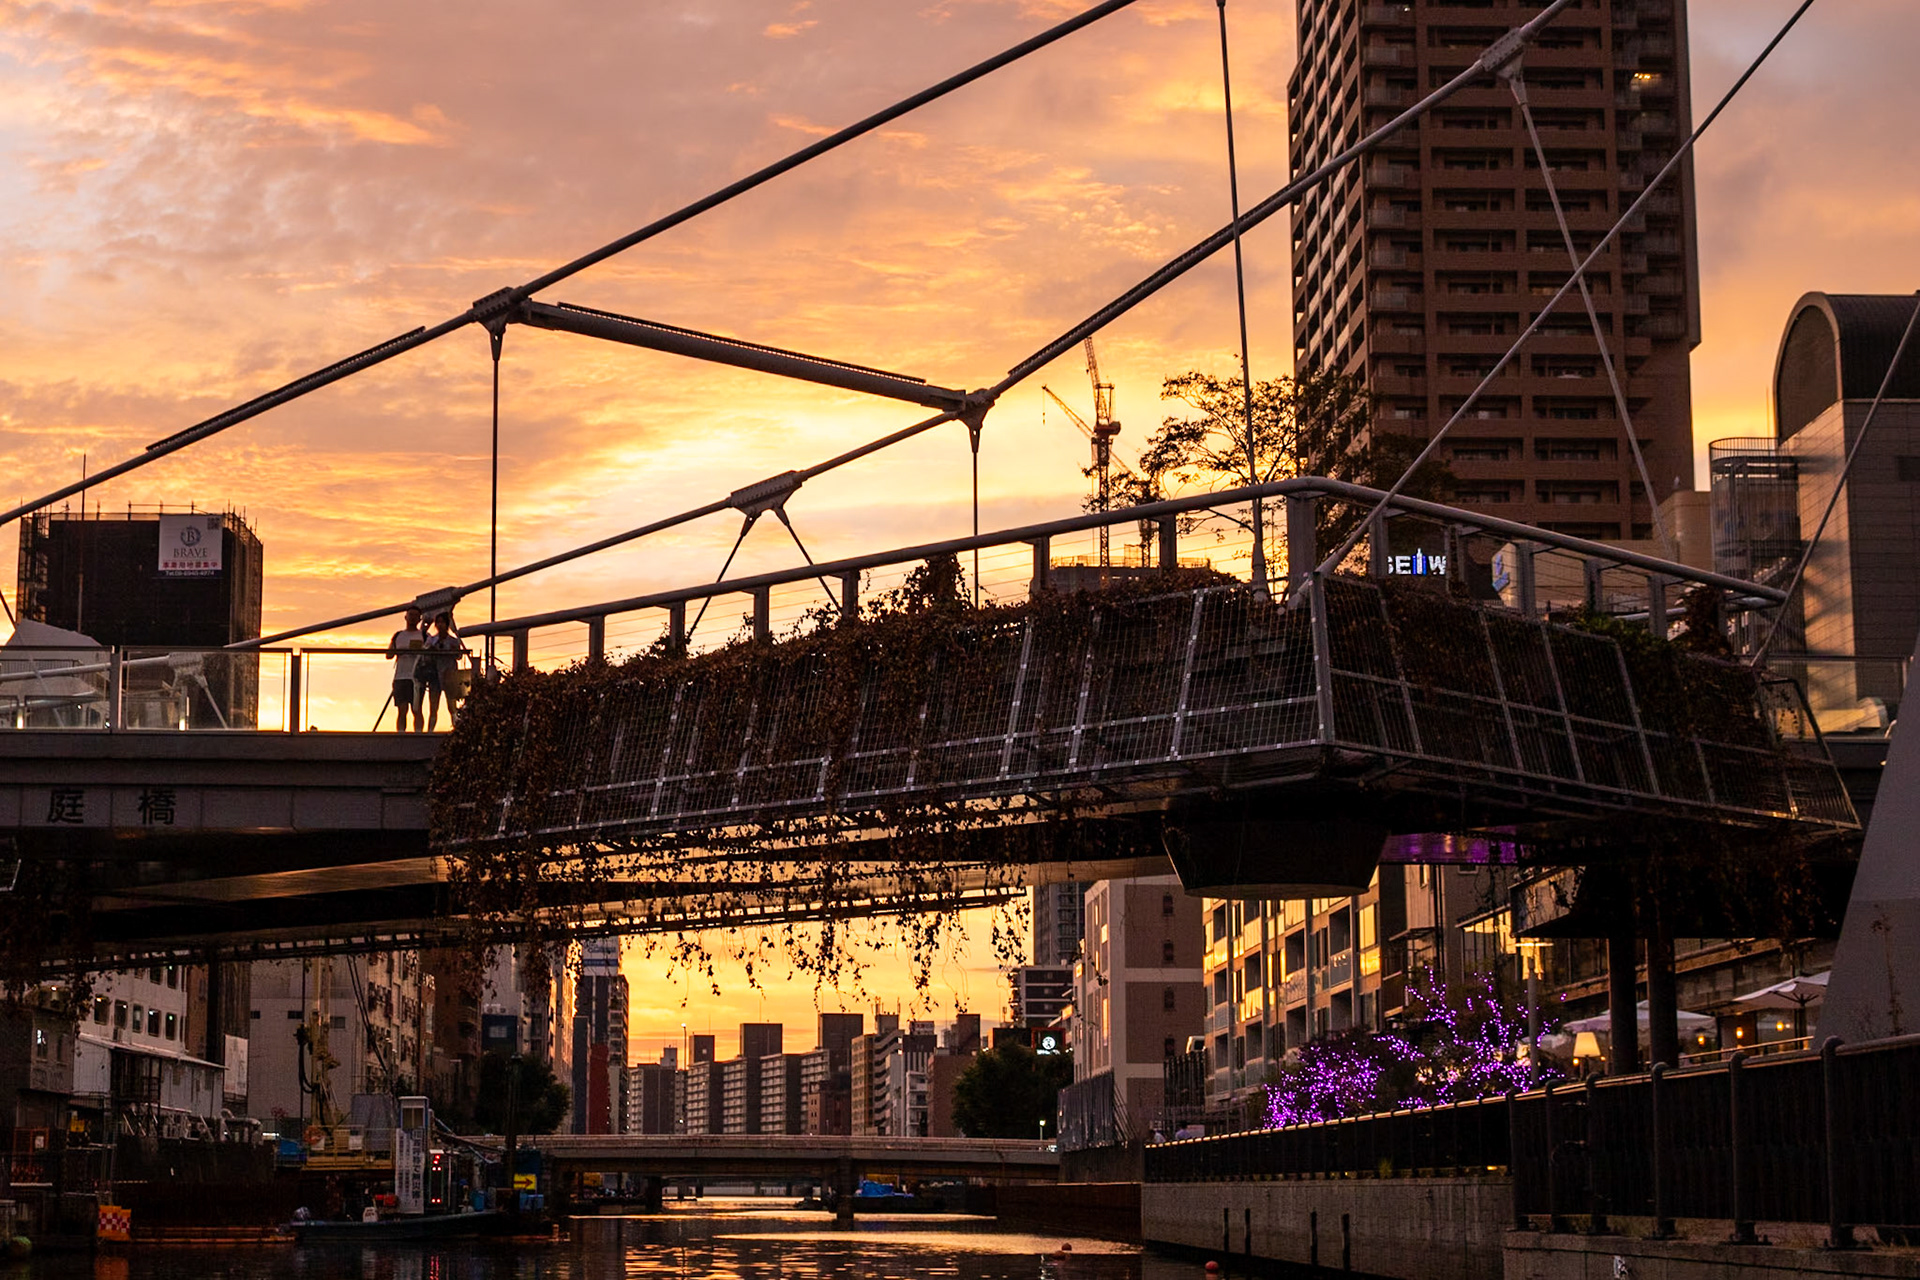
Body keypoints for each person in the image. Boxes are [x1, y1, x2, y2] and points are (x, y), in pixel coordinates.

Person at [419, 611, 463, 731]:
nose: (440, 625)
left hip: (450, 674)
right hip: (435, 674)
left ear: (447, 624)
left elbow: (459, 656)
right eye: (438, 622)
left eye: (442, 622)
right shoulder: (431, 640)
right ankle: (430, 731)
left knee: (452, 706)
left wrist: (453, 651)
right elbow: (425, 655)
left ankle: (456, 728)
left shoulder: (453, 641)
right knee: (433, 706)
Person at [385, 607, 427, 732]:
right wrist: (400, 650)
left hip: (417, 677)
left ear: (419, 619)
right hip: (400, 676)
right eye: (411, 615)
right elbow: (389, 655)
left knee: (416, 709)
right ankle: (401, 734)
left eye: (415, 615)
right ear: (405, 617)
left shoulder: (424, 635)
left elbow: (431, 652)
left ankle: (418, 735)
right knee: (402, 709)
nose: (413, 617)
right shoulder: (398, 635)